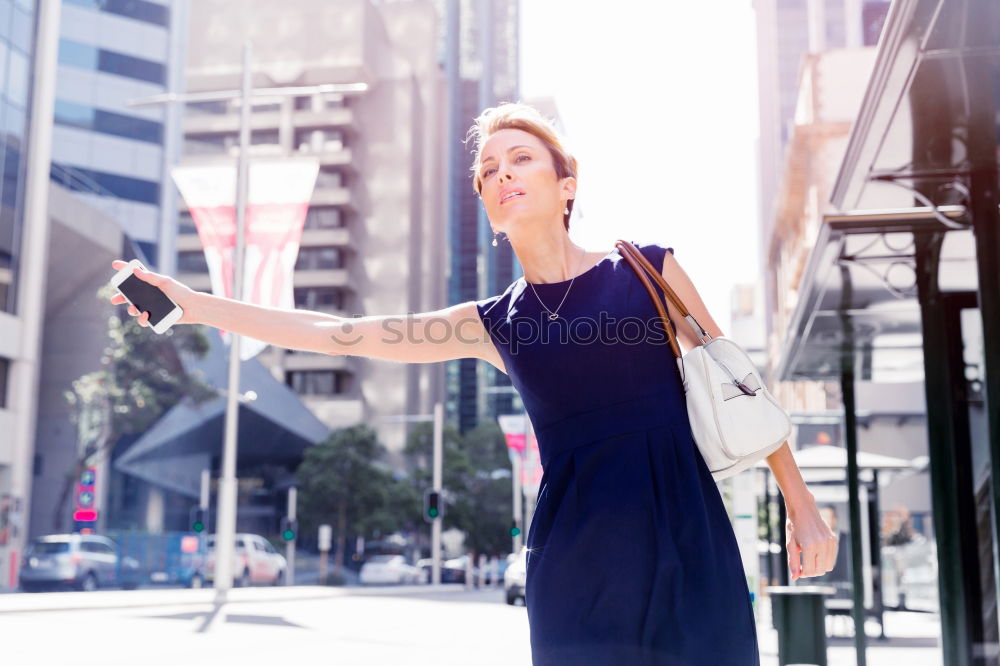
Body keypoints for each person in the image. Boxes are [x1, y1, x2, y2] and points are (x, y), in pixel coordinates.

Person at [110, 101, 837, 665]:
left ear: (566, 185)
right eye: (489, 172)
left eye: (521, 158)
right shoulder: (491, 323)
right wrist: (196, 306)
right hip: (577, 557)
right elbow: (343, 333)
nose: (503, 175)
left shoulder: (645, 272)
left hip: (686, 529)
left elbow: (740, 387)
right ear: (488, 207)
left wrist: (800, 503)